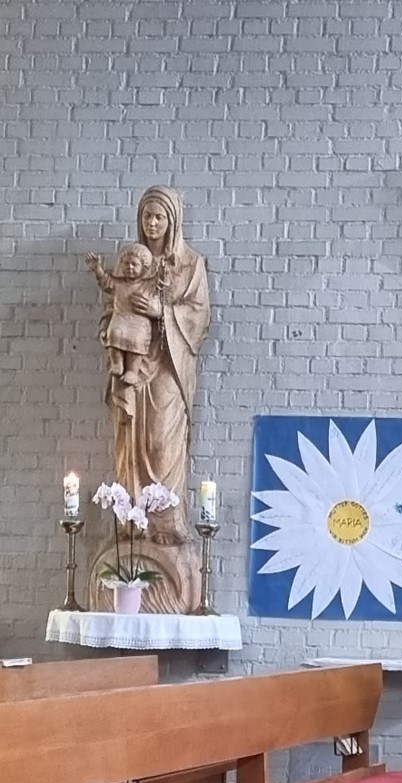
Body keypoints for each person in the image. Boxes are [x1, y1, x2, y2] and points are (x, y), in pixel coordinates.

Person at [100, 185, 211, 547]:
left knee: (161, 442)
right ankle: (131, 521)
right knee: (130, 440)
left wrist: (161, 311)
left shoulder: (190, 265)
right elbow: (111, 304)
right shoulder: (130, 259)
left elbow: (199, 318)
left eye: (159, 217)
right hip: (130, 365)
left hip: (167, 365)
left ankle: (165, 522)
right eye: (147, 216)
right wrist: (110, 333)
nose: (152, 223)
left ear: (173, 221)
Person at [87, 243, 156, 386]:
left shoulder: (147, 285)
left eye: (134, 264)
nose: (129, 267)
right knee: (114, 334)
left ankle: (132, 371)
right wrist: (97, 268)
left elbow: (161, 290)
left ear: (144, 268)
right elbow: (105, 281)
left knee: (136, 341)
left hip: (139, 323)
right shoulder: (118, 283)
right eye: (126, 263)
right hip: (121, 318)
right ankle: (117, 363)